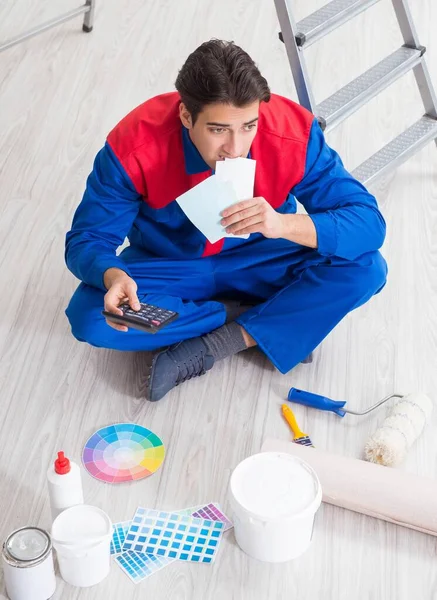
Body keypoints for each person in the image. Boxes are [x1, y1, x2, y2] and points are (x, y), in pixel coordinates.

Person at [65, 39, 387, 402]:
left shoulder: (292, 132)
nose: (236, 148)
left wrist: (281, 224)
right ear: (186, 116)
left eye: (248, 126)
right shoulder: (134, 145)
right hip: (172, 266)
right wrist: (114, 275)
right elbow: (87, 239)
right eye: (218, 130)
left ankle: (224, 341)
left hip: (263, 258)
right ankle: (261, 318)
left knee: (367, 268)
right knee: (90, 317)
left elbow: (368, 222)